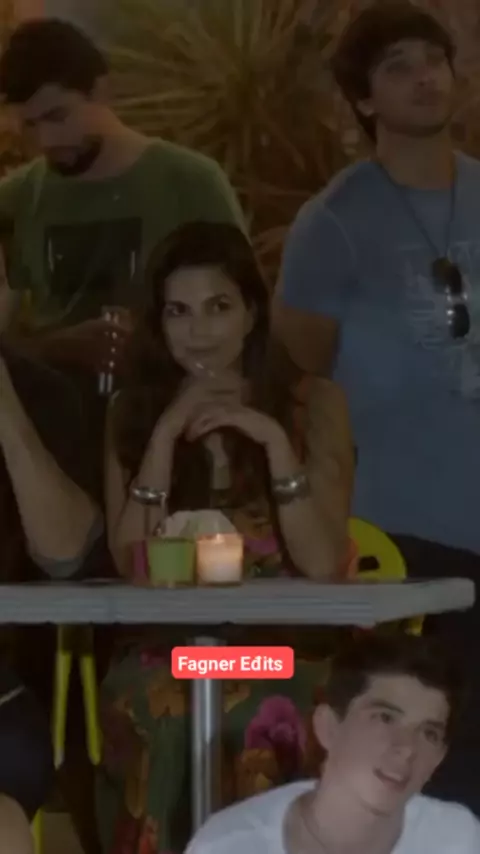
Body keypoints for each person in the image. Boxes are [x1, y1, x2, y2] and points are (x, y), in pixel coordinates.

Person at [272, 1, 480, 812]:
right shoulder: (334, 221)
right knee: (430, 759)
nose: (425, 77)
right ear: (364, 98)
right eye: (398, 66)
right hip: (401, 532)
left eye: (434, 59)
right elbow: (303, 368)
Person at [96, 221, 355, 853]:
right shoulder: (132, 413)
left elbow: (323, 564)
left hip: (285, 651)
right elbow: (133, 566)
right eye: (178, 312)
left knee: (252, 701)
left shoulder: (313, 404)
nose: (200, 332)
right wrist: (165, 437)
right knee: (165, 703)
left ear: (251, 314)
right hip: (169, 655)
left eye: (218, 307)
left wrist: (273, 442)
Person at [0, 18, 245, 381]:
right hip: (51, 408)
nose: (46, 140)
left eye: (58, 116)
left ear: (101, 91)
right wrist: (56, 347)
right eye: (30, 126)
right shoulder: (15, 199)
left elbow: (244, 315)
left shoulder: (191, 182)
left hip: (172, 402)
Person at [185, 632, 480, 854]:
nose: (406, 748)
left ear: (439, 758)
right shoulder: (230, 845)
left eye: (428, 733)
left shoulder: (458, 840)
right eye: (385, 718)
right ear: (328, 727)